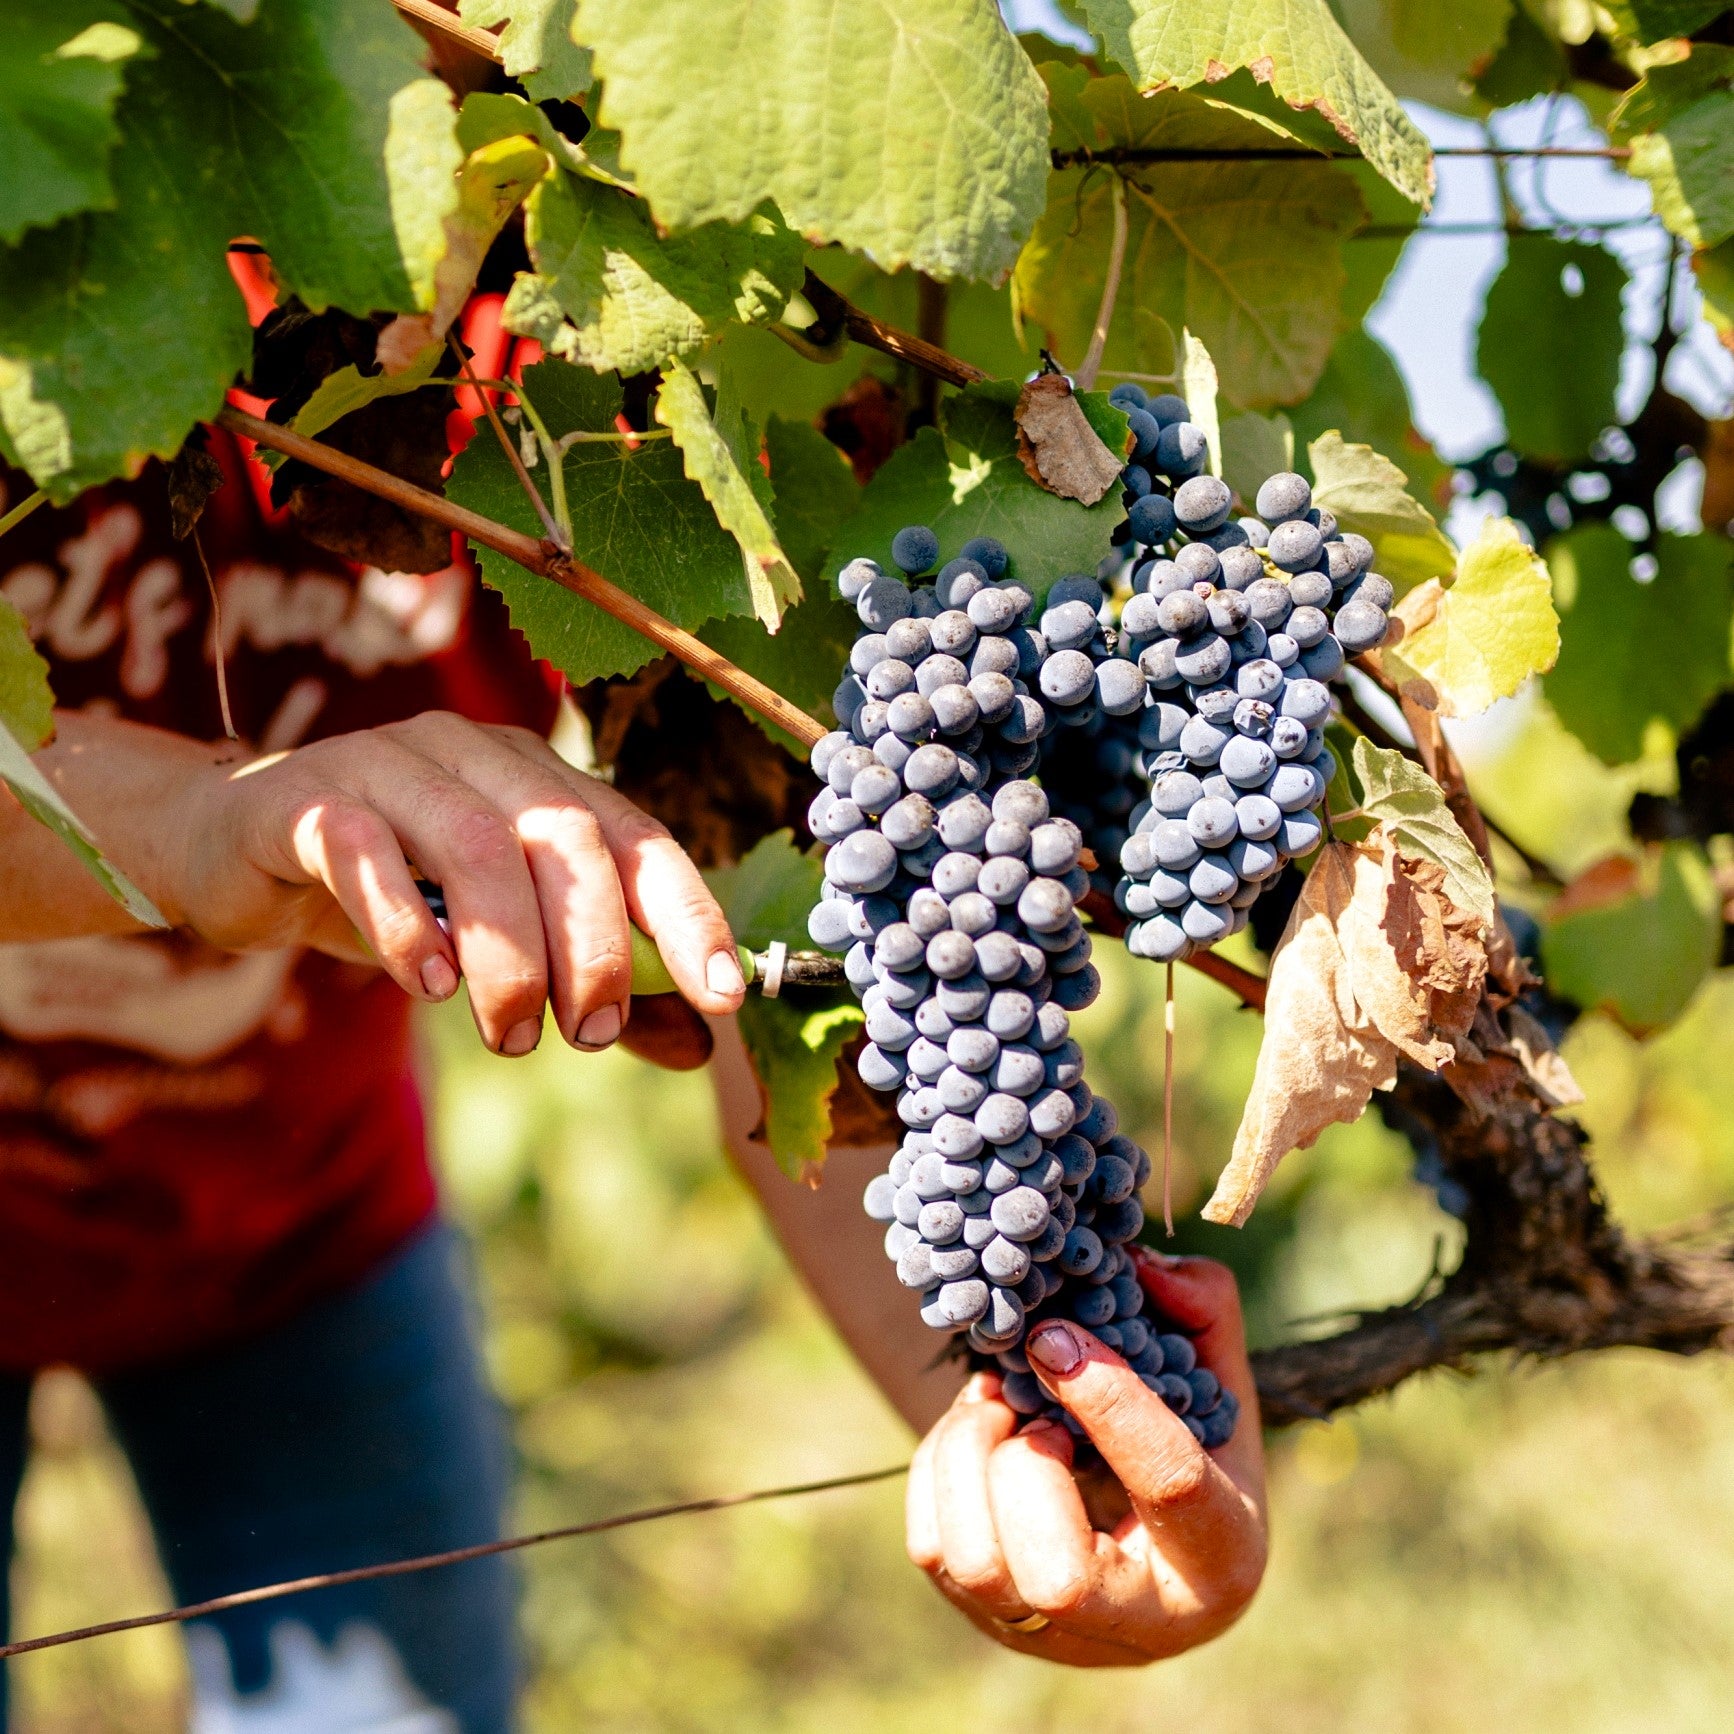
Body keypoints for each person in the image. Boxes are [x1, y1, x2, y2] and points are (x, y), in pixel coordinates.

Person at [0, 300, 1264, 1731]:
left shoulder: (634, 327)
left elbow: (813, 994)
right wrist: (187, 817)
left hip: (295, 1235)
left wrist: (1040, 1420)